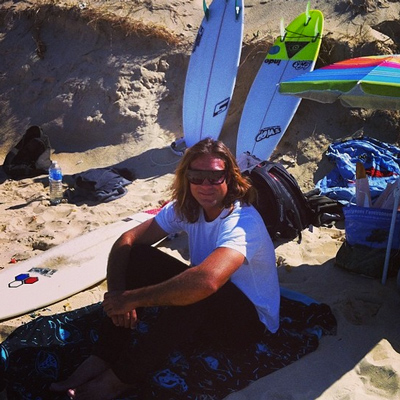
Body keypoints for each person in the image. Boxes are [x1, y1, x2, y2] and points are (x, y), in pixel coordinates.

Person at [50, 137, 280, 399]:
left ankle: (120, 379)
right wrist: (117, 294)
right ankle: (103, 356)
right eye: (197, 176)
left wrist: (132, 299)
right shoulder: (187, 207)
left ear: (229, 177)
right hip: (207, 305)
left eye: (215, 177)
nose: (205, 185)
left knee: (196, 290)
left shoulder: (242, 220)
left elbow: (207, 282)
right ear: (187, 177)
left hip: (247, 324)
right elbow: (127, 240)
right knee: (138, 256)